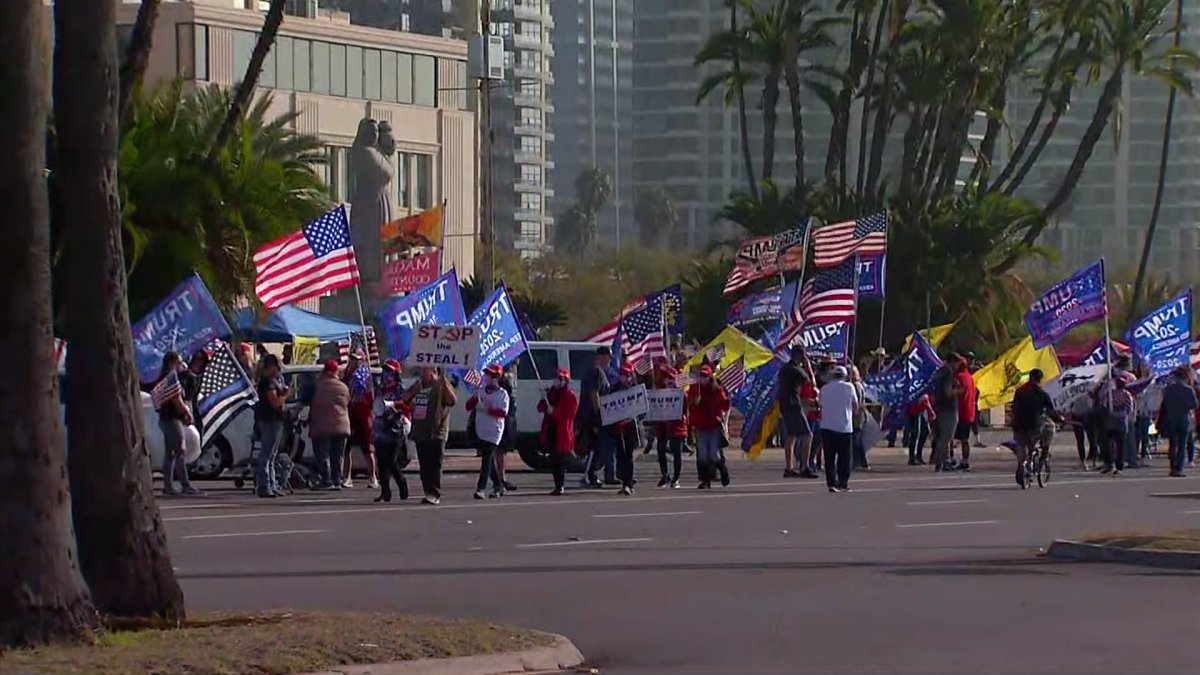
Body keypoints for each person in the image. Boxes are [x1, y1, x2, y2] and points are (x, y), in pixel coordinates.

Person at [403, 367, 456, 505]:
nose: (421, 373)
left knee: (434, 464)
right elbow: (405, 399)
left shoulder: (441, 385)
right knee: (424, 465)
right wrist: (413, 391)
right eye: (421, 370)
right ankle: (427, 492)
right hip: (421, 431)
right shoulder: (418, 385)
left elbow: (452, 401)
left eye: (424, 371)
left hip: (437, 431)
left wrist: (443, 381)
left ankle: (434, 493)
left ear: (433, 372)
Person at [156, 352, 200, 497]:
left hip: (167, 418)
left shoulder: (169, 377)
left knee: (170, 454)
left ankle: (168, 486)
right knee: (180, 451)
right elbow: (176, 399)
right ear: (172, 363)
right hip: (171, 418)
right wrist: (187, 413)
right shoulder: (171, 378)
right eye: (179, 362)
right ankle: (185, 485)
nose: (182, 365)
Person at [1010, 369, 1063, 486]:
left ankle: (1022, 465)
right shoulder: (1042, 394)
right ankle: (1044, 454)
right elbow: (1051, 411)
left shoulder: (1019, 391)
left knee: (1021, 444)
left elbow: (1014, 407)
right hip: (1034, 426)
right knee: (1050, 428)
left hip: (1018, 425)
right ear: (1040, 379)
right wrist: (1060, 419)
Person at [467, 364, 510, 499]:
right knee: (489, 459)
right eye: (487, 375)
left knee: (486, 458)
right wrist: (474, 397)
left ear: (497, 378)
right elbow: (468, 407)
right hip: (481, 429)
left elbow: (503, 412)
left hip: (494, 431)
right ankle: (498, 485)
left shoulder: (502, 394)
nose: (487, 378)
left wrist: (487, 409)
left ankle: (481, 488)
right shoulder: (480, 391)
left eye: (491, 375)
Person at [308, 359, 350, 491]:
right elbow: (348, 401)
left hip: (322, 424)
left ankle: (326, 480)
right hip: (342, 424)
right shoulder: (343, 387)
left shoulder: (317, 386)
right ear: (336, 372)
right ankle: (337, 479)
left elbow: (307, 400)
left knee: (322, 453)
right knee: (338, 454)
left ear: (325, 371)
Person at [778, 346, 818, 479]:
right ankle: (804, 467)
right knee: (808, 435)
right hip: (794, 404)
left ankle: (789, 467)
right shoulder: (796, 370)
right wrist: (808, 367)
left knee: (791, 435)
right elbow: (811, 383)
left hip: (784, 404)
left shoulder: (784, 369)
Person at [254, 353, 291, 498]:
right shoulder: (267, 382)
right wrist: (287, 395)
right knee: (267, 454)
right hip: (269, 419)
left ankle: (273, 484)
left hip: (277, 420)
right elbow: (275, 401)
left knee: (273, 454)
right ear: (271, 367)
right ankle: (264, 486)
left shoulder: (276, 380)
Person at [688, 364, 731, 489]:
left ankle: (723, 472)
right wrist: (694, 402)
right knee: (702, 455)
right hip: (701, 425)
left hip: (713, 425)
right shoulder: (695, 389)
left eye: (705, 376)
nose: (703, 378)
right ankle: (705, 480)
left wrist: (727, 400)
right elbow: (689, 405)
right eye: (701, 376)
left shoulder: (716, 389)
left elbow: (724, 405)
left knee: (713, 454)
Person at [373, 359, 410, 502]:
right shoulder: (380, 388)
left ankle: (402, 484)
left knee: (392, 462)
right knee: (381, 463)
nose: (386, 374)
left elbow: (407, 406)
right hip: (381, 429)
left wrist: (395, 407)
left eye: (389, 371)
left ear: (395, 373)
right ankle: (385, 492)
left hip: (395, 430)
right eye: (385, 371)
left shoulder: (400, 388)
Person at [341, 349, 378, 489]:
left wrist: (370, 391)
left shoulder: (366, 376)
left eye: (357, 359)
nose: (354, 362)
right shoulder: (347, 376)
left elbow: (371, 397)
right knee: (346, 447)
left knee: (367, 448)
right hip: (349, 414)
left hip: (363, 414)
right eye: (352, 359)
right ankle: (347, 477)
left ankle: (373, 477)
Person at [538, 368, 578, 495]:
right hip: (551, 429)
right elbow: (540, 408)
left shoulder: (570, 395)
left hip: (562, 430)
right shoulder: (551, 392)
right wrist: (544, 400)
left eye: (560, 378)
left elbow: (570, 413)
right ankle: (557, 484)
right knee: (554, 459)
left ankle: (560, 485)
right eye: (556, 378)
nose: (557, 381)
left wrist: (554, 411)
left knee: (559, 459)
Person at [819, 366, 859, 493]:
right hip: (844, 426)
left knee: (829, 457)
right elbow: (855, 405)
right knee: (844, 458)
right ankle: (843, 483)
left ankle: (831, 483)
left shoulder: (824, 389)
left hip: (827, 426)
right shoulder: (849, 387)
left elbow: (820, 404)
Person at [580, 346, 615, 488]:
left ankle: (591, 474)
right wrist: (599, 414)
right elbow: (594, 393)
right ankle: (589, 475)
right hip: (593, 416)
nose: (611, 360)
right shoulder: (595, 371)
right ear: (601, 356)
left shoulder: (600, 372)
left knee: (598, 448)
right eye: (609, 356)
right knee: (595, 448)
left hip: (596, 415)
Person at [608, 363, 645, 495]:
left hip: (631, 427)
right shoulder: (614, 389)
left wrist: (635, 417)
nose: (625, 377)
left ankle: (628, 483)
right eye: (623, 374)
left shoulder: (636, 390)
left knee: (628, 455)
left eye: (627, 375)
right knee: (620, 455)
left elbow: (642, 411)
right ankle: (624, 482)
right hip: (618, 427)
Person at [1158, 367, 1198, 478]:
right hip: (1184, 419)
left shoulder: (1168, 389)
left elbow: (1164, 405)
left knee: (1173, 444)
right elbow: (1194, 404)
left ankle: (1172, 467)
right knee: (1182, 445)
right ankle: (1178, 468)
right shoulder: (1188, 389)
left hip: (1171, 419)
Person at [654, 364, 687, 488]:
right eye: (667, 379)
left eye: (672, 379)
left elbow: (685, 411)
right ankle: (665, 474)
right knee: (661, 450)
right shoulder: (658, 394)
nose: (669, 382)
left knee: (677, 452)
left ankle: (676, 478)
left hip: (677, 427)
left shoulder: (681, 395)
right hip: (662, 426)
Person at [930, 355, 965, 471]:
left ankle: (943, 461)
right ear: (952, 362)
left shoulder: (940, 373)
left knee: (942, 437)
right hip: (948, 409)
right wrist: (960, 390)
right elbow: (948, 392)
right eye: (957, 363)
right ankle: (942, 462)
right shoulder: (948, 374)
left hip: (940, 408)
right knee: (946, 437)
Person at [1100, 376, 1135, 475]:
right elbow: (1129, 408)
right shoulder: (1115, 394)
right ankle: (1114, 464)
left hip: (1116, 421)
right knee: (1117, 444)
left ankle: (1113, 464)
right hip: (1118, 421)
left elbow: (1104, 404)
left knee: (1115, 444)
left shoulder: (1118, 394)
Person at [494, 362, 519, 493]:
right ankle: (499, 479)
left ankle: (501, 478)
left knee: (502, 450)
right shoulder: (509, 377)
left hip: (509, 415)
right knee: (500, 450)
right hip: (507, 415)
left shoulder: (509, 377)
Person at [953, 358, 978, 471]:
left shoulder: (958, 377)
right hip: (969, 411)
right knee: (965, 439)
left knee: (952, 438)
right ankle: (965, 460)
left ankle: (951, 458)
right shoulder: (970, 378)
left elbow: (958, 392)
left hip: (960, 411)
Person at [905, 393, 935, 465]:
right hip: (914, 408)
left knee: (924, 432)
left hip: (921, 407)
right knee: (915, 433)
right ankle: (912, 457)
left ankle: (918, 455)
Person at [849, 365, 870, 470]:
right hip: (857, 415)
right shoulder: (855, 384)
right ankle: (862, 461)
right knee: (857, 439)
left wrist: (855, 413)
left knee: (855, 440)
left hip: (857, 416)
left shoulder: (856, 385)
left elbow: (857, 402)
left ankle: (858, 462)